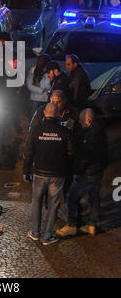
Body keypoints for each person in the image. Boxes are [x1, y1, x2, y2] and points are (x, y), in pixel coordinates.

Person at [23, 102, 74, 245]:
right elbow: (71, 154)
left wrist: (26, 171)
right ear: (58, 114)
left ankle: (34, 231)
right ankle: (47, 236)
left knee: (36, 202)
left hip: (39, 173)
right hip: (57, 174)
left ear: (44, 113)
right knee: (53, 205)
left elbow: (28, 153)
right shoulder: (65, 131)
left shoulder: (35, 130)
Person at [57, 109, 108, 238]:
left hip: (87, 172)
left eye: (81, 121)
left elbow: (85, 156)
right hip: (98, 171)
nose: (79, 124)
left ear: (88, 120)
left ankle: (71, 225)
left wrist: (77, 169)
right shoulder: (101, 130)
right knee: (93, 197)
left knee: (72, 197)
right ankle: (92, 225)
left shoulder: (90, 135)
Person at [26, 54, 51, 118]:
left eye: (42, 61)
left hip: (46, 100)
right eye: (39, 61)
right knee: (33, 118)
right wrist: (41, 90)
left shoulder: (49, 71)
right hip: (35, 99)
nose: (40, 62)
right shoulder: (33, 69)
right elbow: (29, 84)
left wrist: (48, 91)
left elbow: (50, 85)